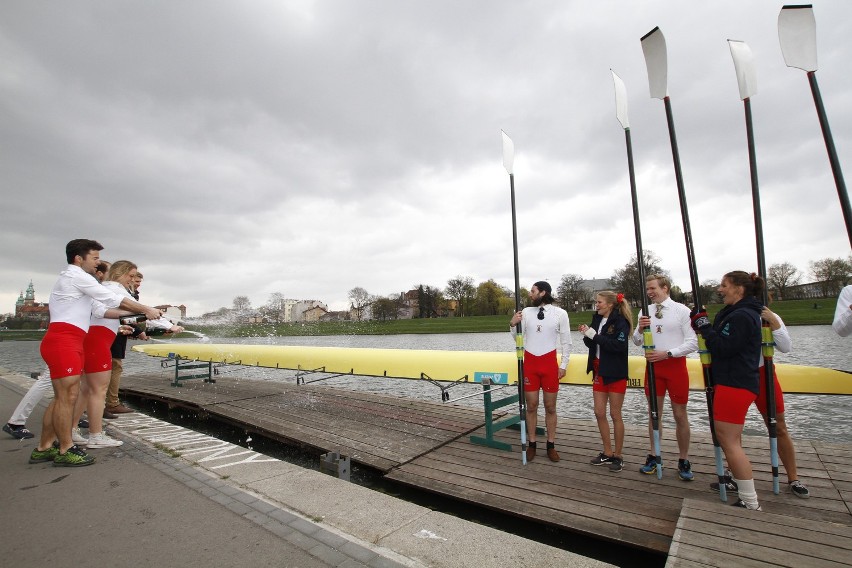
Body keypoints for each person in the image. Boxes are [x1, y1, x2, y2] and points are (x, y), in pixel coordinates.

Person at [29, 239, 162, 467]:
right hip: (63, 340)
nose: (98, 263)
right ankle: (65, 449)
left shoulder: (79, 280)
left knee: (64, 397)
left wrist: (135, 318)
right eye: (95, 258)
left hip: (72, 340)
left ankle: (44, 446)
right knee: (66, 397)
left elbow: (103, 310)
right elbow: (111, 299)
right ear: (79, 259)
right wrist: (145, 309)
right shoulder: (76, 276)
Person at [3, 260, 111, 440]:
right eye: (107, 273)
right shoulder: (84, 286)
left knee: (70, 386)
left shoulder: (84, 288)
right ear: (100, 274)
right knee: (51, 384)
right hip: (67, 340)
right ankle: (17, 421)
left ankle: (71, 419)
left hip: (76, 339)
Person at [712, 307, 810, 498]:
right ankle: (735, 476)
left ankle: (793, 478)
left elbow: (785, 347)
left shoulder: (768, 315)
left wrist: (773, 321)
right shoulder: (730, 316)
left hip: (765, 376)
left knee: (778, 426)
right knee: (732, 432)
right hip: (739, 376)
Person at [691, 270, 764, 510]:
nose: (719, 289)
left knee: (729, 441)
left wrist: (704, 327)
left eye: (724, 285)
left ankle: (750, 501)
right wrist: (705, 326)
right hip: (732, 381)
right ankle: (742, 490)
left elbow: (723, 347)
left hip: (736, 382)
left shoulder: (742, 315)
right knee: (729, 439)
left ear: (739, 289)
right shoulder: (738, 313)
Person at [632, 274, 698, 480]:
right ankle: (654, 455)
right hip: (653, 368)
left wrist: (667, 353)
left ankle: (683, 459)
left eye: (653, 289)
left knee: (680, 415)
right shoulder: (646, 310)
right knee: (654, 414)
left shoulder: (681, 310)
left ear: (665, 288)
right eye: (648, 290)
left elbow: (693, 342)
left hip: (675, 367)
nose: (649, 293)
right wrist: (641, 329)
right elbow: (635, 340)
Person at [509, 281, 572, 462]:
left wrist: (564, 365)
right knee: (532, 406)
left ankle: (551, 445)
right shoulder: (526, 312)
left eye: (533, 291)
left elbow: (566, 341)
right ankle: (532, 444)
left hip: (549, 364)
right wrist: (513, 325)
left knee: (550, 407)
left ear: (543, 293)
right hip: (530, 363)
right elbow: (518, 339)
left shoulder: (560, 313)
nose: (530, 294)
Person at [580, 291, 633, 472]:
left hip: (615, 372)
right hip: (598, 370)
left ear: (610, 304)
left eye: (599, 302)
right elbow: (593, 344)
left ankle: (618, 455)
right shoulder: (597, 319)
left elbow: (618, 346)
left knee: (615, 414)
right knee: (599, 412)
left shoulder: (621, 322)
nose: (597, 305)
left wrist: (594, 336)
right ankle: (607, 452)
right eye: (596, 302)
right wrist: (587, 335)